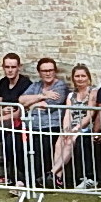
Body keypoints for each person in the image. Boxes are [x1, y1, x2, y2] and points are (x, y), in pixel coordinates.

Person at [16, 58, 69, 187]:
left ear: (55, 71)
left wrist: (31, 104)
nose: (48, 73)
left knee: (38, 145)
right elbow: (21, 100)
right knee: (14, 143)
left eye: (50, 70)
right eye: (44, 71)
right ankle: (21, 179)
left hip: (50, 126)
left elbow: (46, 105)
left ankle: (34, 181)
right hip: (30, 125)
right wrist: (41, 95)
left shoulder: (60, 86)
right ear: (39, 72)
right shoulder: (36, 86)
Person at [48, 64, 99, 188]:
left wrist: (77, 128)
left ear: (88, 77)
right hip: (73, 126)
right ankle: (57, 179)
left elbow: (90, 114)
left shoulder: (93, 92)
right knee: (60, 141)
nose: (80, 79)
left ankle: (52, 173)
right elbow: (68, 114)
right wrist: (66, 129)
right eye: (77, 76)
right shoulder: (71, 95)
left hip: (86, 127)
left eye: (83, 76)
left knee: (70, 141)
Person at [0, 54, 31, 186]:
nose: (10, 70)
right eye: (7, 67)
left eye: (13, 67)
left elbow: (20, 112)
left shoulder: (25, 84)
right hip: (2, 118)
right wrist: (2, 110)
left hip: (16, 122)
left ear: (19, 67)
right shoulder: (3, 82)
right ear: (3, 67)